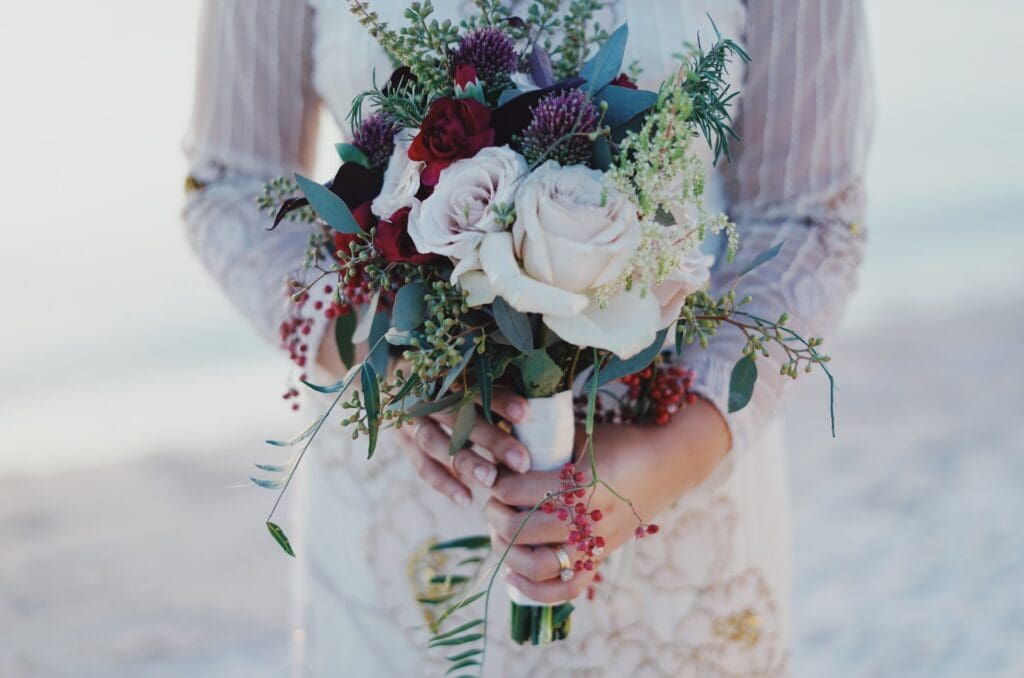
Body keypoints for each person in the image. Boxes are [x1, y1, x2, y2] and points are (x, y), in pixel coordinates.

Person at [183, 1, 872, 674]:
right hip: (405, 497)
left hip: (678, 481)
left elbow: (806, 220)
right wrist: (392, 372)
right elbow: (232, 185)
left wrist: (667, 457)